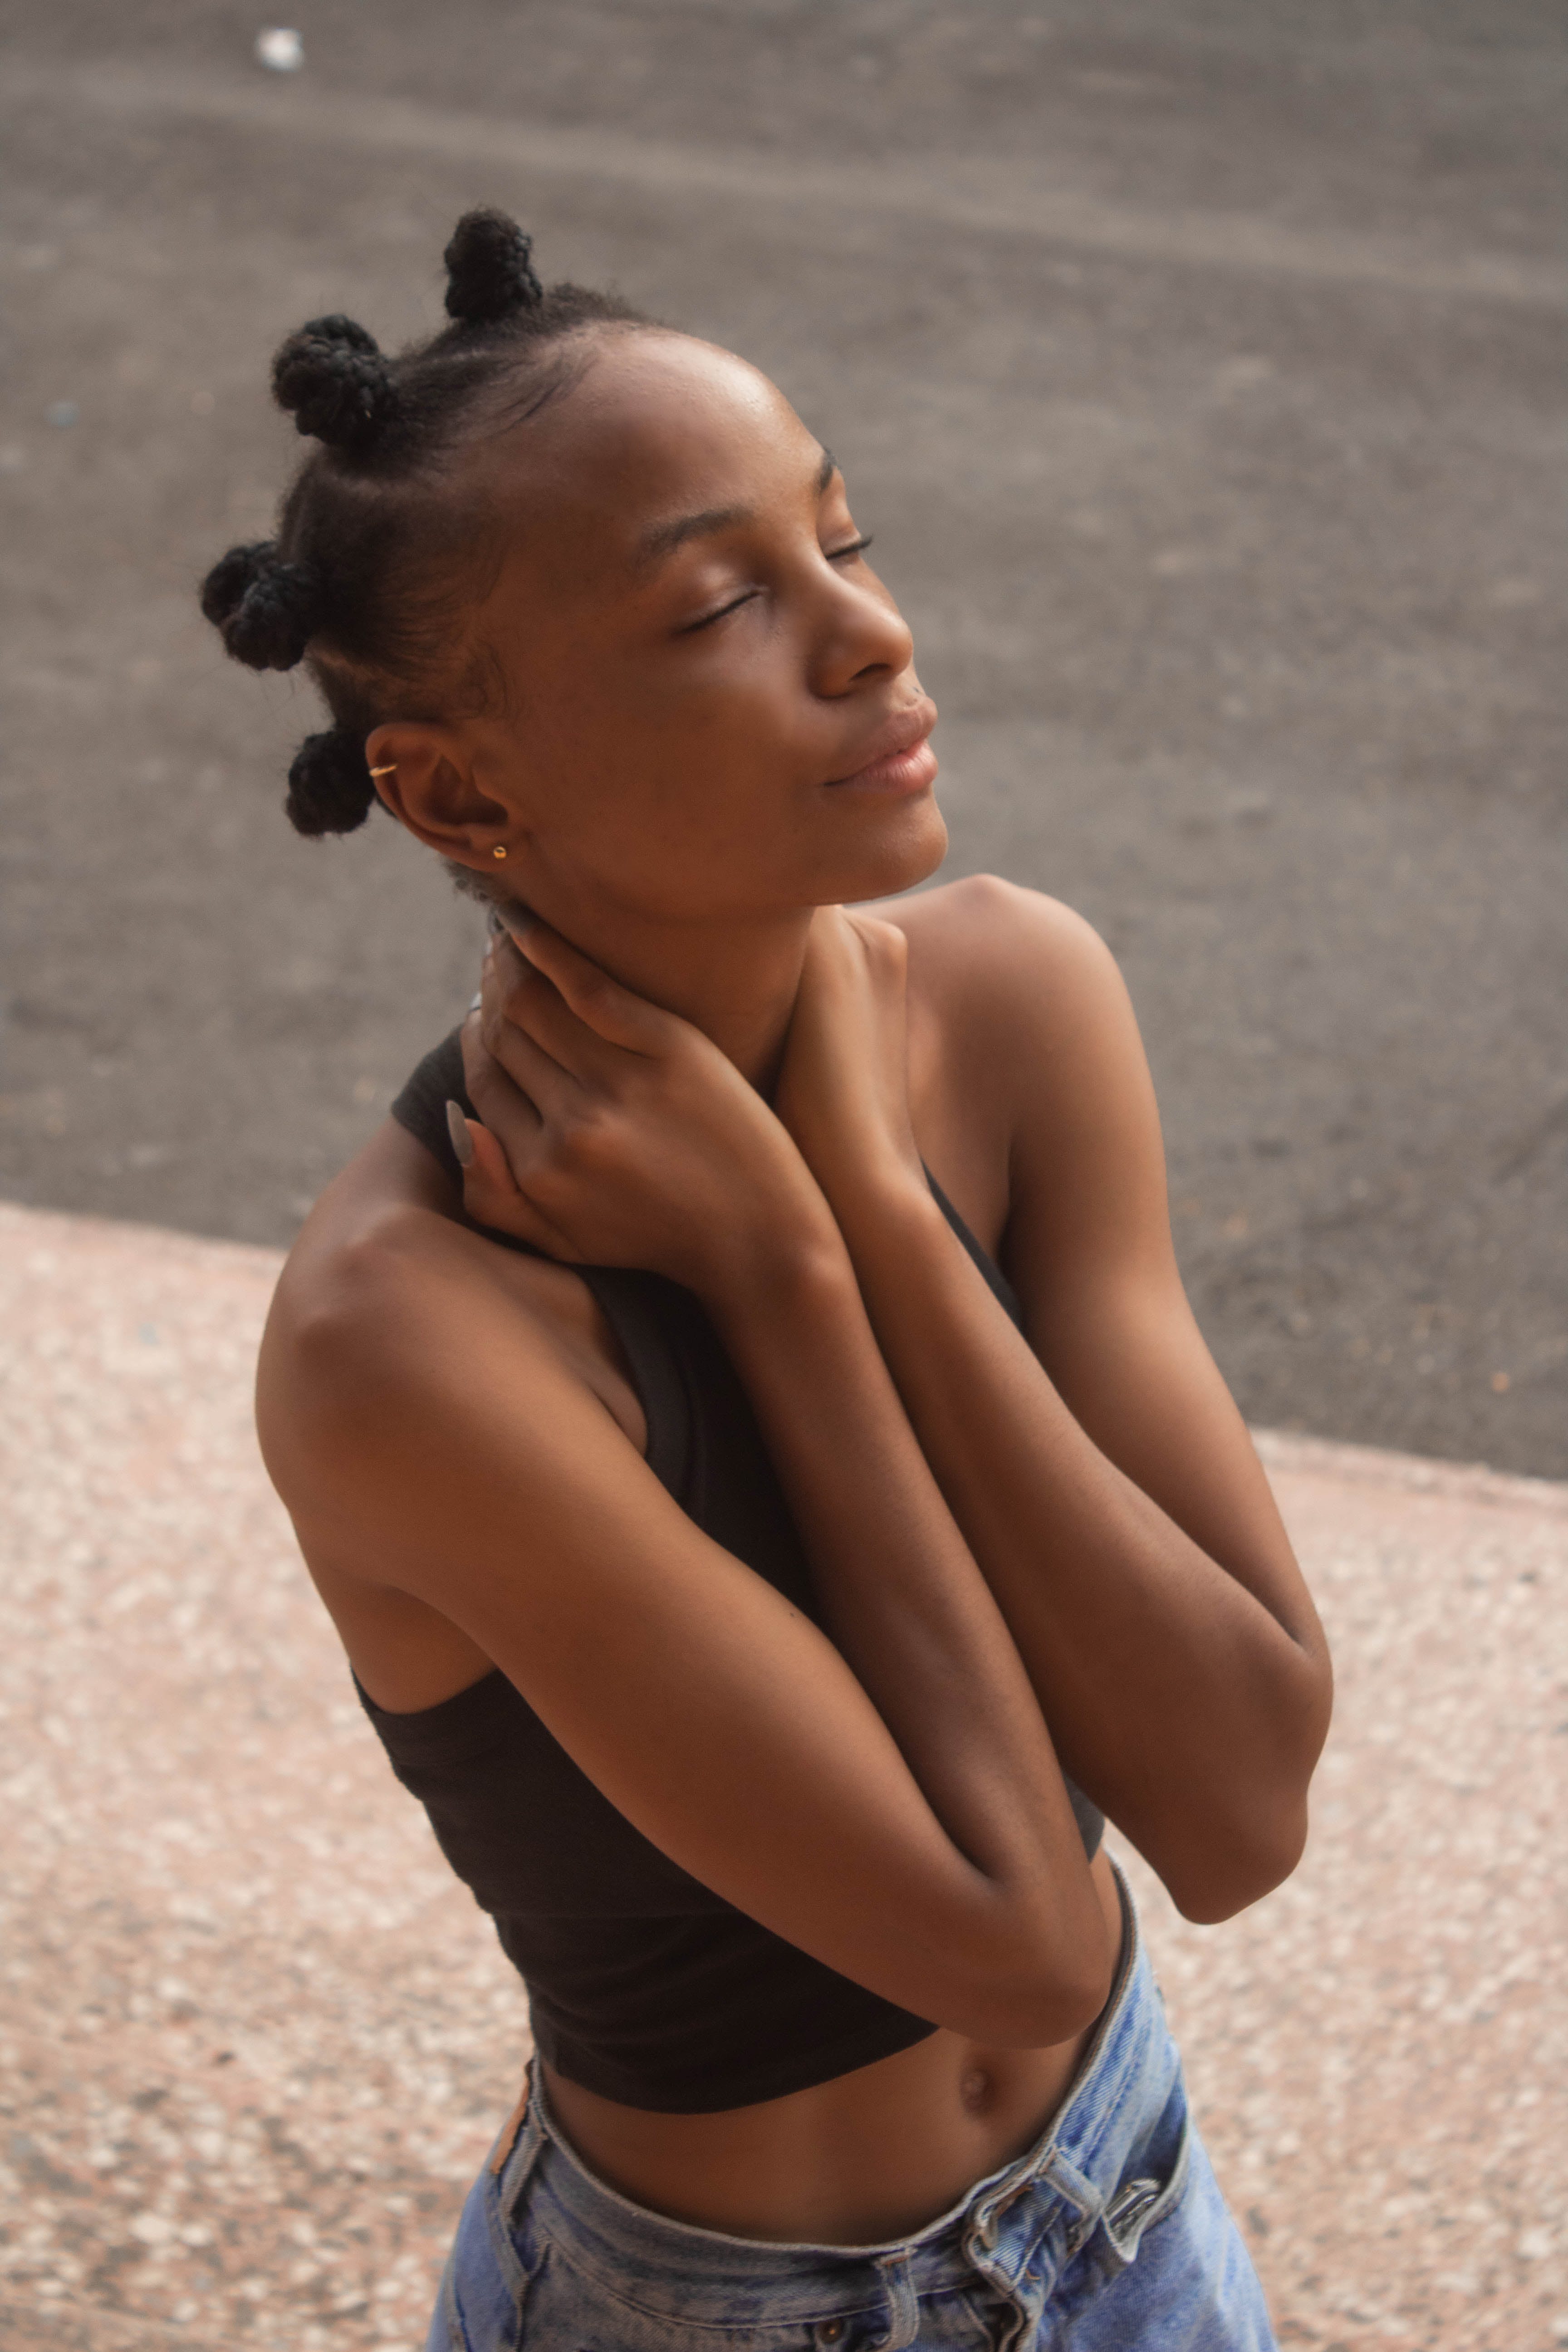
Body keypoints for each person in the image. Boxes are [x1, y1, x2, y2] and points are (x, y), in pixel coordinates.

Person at [201, 209, 1331, 2349]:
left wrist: (868, 1214)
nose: (873, 637)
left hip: (1136, 2213)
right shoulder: (402, 1341)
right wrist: (793, 1280)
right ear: (457, 788)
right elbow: (1011, 1929)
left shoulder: (1016, 1001)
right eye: (725, 603)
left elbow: (1240, 1799)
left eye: (843, 538)